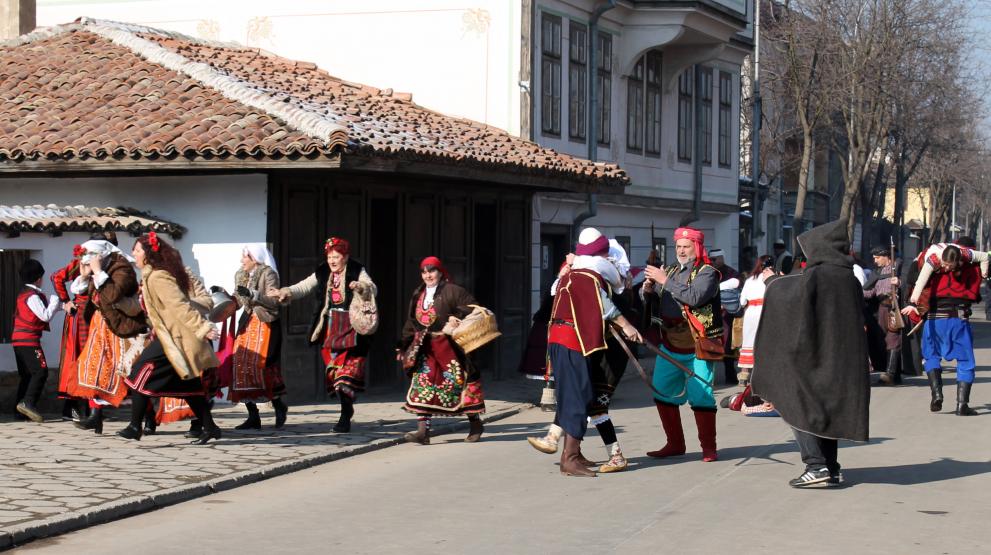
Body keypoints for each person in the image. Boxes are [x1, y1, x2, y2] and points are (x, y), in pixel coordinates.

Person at [752, 218, 869, 488]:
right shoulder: (847, 277)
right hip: (838, 356)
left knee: (796, 403)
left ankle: (815, 465)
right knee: (824, 411)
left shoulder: (822, 275)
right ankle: (831, 467)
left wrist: (771, 282)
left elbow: (791, 297)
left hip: (815, 356)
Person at [527, 240, 636, 473]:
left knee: (585, 400)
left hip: (590, 351)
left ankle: (565, 446)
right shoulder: (585, 279)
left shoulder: (576, 279)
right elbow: (607, 308)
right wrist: (627, 326)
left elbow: (610, 309)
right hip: (580, 346)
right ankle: (571, 456)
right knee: (581, 399)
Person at [119, 233, 222, 443]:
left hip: (176, 340)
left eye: (137, 250)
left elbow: (180, 306)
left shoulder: (158, 277)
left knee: (139, 374)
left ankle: (134, 426)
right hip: (168, 337)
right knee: (189, 387)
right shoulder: (150, 277)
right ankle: (210, 427)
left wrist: (202, 327)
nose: (134, 254)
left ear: (147, 254)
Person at [271, 237, 377, 433]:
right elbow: (303, 286)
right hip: (329, 327)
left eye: (336, 257)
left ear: (345, 257)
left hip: (352, 328)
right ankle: (346, 408)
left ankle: (345, 416)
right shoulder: (322, 271)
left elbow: (371, 287)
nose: (332, 261)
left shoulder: (356, 269)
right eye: (329, 257)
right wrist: (285, 292)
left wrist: (360, 287)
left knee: (346, 377)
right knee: (334, 375)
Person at [641, 226, 722, 463]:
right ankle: (675, 443)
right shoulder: (672, 269)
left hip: (698, 343)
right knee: (662, 391)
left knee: (701, 396)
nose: (682, 250)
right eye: (678, 246)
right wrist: (647, 290)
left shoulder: (708, 272)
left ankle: (709, 447)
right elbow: (655, 297)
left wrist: (664, 280)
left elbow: (694, 297)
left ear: (696, 248)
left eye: (686, 246)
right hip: (669, 343)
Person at [398, 256, 488, 444]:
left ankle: (475, 424)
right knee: (423, 384)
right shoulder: (418, 294)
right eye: (424, 271)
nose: (428, 275)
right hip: (426, 347)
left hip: (451, 348)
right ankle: (423, 432)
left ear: (440, 272)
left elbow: (474, 307)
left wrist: (455, 316)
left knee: (459, 384)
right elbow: (411, 322)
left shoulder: (453, 291)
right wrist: (403, 345)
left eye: (431, 271)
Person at [70, 239, 147, 434]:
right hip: (100, 325)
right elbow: (81, 293)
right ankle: (96, 417)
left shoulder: (123, 269)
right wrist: (85, 276)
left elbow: (112, 295)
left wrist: (97, 272)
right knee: (94, 367)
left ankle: (148, 416)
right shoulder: (98, 270)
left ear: (101, 257)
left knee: (125, 372)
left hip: (120, 327)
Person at [902, 242, 989, 416]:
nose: (946, 268)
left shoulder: (965, 255)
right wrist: (985, 273)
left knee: (931, 356)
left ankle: (937, 394)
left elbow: (916, 281)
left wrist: (913, 304)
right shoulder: (936, 261)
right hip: (958, 319)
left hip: (934, 320)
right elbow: (986, 257)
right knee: (965, 361)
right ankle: (961, 405)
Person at [226, 244, 288, 430]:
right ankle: (253, 416)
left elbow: (274, 302)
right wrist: (222, 296)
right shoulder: (241, 275)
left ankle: (279, 406)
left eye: (245, 257)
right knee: (240, 366)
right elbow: (238, 300)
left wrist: (254, 294)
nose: (241, 260)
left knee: (264, 368)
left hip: (265, 324)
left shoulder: (268, 274)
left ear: (254, 258)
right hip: (247, 324)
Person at [12, 259, 62, 422]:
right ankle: (28, 403)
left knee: (27, 375)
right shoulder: (32, 296)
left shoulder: (27, 293)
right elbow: (45, 315)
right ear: (38, 278)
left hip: (19, 340)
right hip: (28, 340)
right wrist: (56, 301)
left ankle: (19, 411)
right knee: (41, 371)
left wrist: (62, 305)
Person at [50, 243, 92, 422]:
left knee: (93, 358)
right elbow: (56, 277)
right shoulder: (80, 263)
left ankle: (93, 407)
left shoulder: (108, 264)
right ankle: (71, 406)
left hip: (96, 315)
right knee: (75, 357)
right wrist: (66, 301)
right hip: (80, 315)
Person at [863, 245, 903, 384]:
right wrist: (856, 291)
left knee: (893, 339)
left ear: (887, 256)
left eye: (878, 257)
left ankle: (890, 374)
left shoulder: (899, 267)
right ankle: (895, 375)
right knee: (884, 341)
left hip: (894, 308)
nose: (875, 261)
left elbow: (910, 284)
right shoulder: (878, 272)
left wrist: (899, 283)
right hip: (881, 309)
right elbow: (870, 292)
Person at [737, 255, 774, 385]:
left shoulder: (749, 280)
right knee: (763, 341)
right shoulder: (771, 278)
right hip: (765, 311)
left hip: (750, 312)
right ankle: (762, 374)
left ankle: (744, 375)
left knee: (748, 342)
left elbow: (742, 301)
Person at [710, 248, 741, 385]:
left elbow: (737, 285)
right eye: (711, 260)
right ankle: (708, 378)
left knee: (727, 347)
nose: (712, 262)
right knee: (709, 348)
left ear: (721, 258)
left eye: (714, 259)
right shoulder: (708, 272)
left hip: (726, 317)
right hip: (710, 315)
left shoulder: (731, 272)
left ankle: (730, 376)